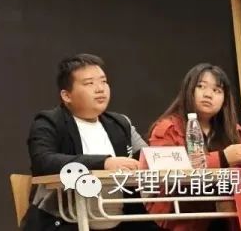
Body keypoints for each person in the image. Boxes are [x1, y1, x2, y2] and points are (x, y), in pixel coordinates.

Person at [24, 54, 158, 231]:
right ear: (66, 95)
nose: (100, 89)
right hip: (66, 220)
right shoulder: (49, 122)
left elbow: (149, 158)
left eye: (104, 81)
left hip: (121, 221)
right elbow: (44, 162)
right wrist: (104, 163)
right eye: (89, 83)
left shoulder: (120, 123)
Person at [146, 63, 241, 231]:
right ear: (188, 91)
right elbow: (166, 171)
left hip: (227, 219)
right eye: (201, 86)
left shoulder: (234, 130)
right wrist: (223, 158)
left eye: (217, 90)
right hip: (181, 220)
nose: (208, 94)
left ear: (225, 100)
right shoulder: (167, 128)